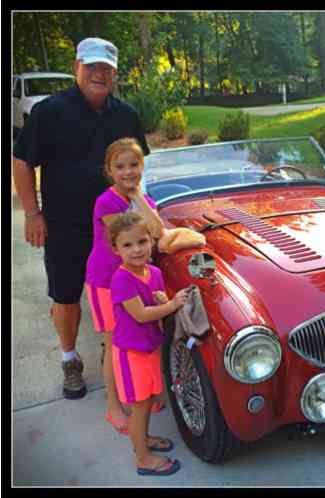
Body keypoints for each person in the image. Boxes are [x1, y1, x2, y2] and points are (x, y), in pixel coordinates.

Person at [12, 37, 150, 400]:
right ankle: (70, 358)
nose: (98, 74)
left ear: (115, 74)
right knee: (66, 296)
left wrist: (143, 210)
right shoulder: (48, 111)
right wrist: (32, 213)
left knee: (118, 290)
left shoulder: (126, 115)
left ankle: (115, 348)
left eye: (106, 68)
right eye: (92, 67)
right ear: (77, 67)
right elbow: (22, 161)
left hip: (116, 229)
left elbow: (138, 165)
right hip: (64, 227)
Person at [85, 137, 166, 433]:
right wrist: (136, 202)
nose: (128, 172)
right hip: (106, 282)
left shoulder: (146, 201)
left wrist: (141, 198)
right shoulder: (106, 202)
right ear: (109, 170)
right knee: (116, 343)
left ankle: (146, 392)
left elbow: (156, 231)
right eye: (120, 167)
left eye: (134, 165)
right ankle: (113, 404)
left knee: (143, 332)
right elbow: (128, 232)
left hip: (137, 279)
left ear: (143, 166)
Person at [108, 211, 186, 476]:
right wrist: (172, 305)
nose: (136, 249)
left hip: (150, 347)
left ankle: (144, 438)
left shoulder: (153, 273)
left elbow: (156, 306)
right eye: (127, 245)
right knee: (139, 407)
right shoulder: (121, 279)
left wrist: (164, 301)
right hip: (131, 354)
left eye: (142, 241)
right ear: (116, 249)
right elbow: (140, 314)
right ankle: (142, 458)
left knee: (151, 398)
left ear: (151, 242)